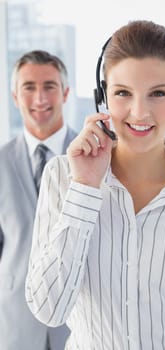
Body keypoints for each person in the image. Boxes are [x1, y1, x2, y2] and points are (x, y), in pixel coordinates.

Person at [25, 21, 165, 350]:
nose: (140, 112)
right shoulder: (62, 177)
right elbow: (49, 310)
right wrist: (85, 188)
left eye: (158, 93)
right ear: (102, 95)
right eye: (123, 92)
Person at [0, 50, 77, 350]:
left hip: (78, 322)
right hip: (13, 325)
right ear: (15, 96)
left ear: (66, 93)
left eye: (49, 86)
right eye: (29, 87)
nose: (40, 98)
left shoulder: (97, 158)